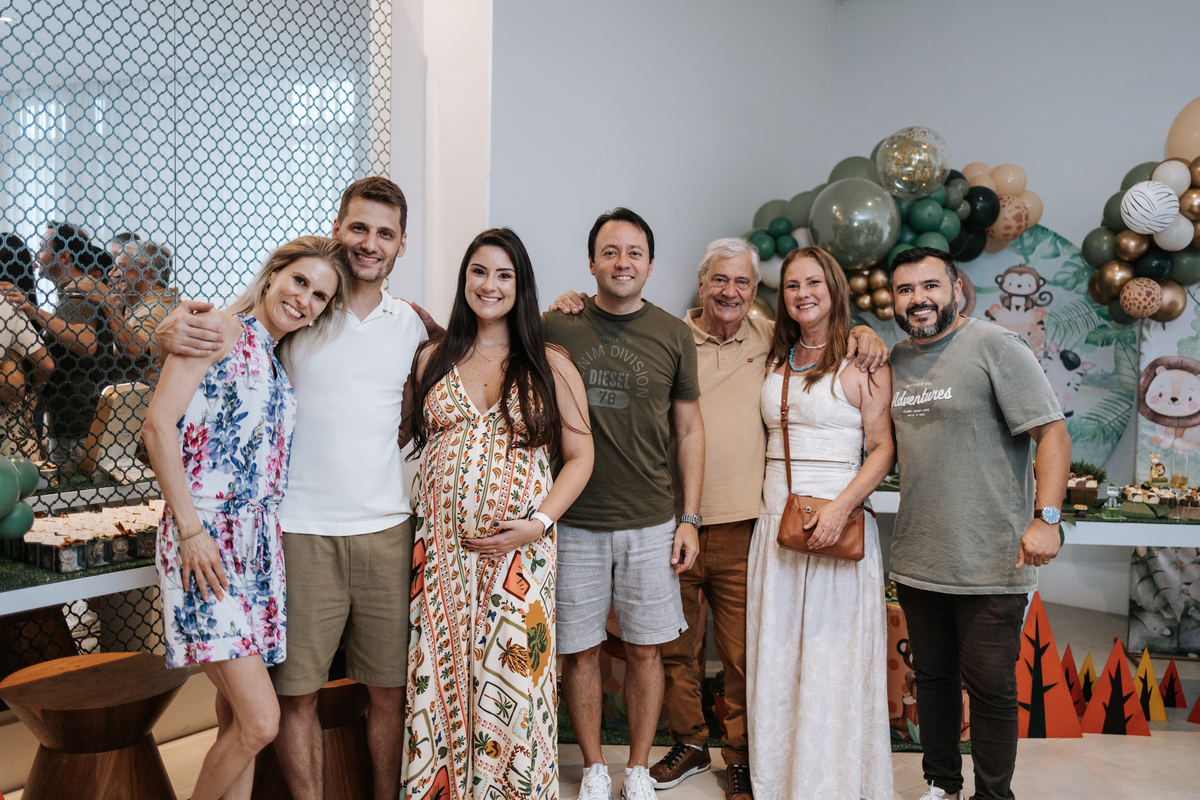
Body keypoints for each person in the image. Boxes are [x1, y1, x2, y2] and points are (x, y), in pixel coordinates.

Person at [550, 239, 888, 800]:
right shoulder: (670, 334)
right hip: (671, 520)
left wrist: (865, 333)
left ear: (755, 291)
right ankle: (688, 744)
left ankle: (742, 755)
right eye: (719, 280)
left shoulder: (771, 339)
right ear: (701, 283)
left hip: (746, 522)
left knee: (744, 650)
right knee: (672, 648)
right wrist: (572, 302)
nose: (730, 292)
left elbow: (824, 332)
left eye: (743, 282)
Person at [155, 176, 438, 800]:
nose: (370, 243)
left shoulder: (412, 326)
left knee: (387, 692)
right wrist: (166, 329)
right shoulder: (303, 317)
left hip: (384, 530)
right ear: (338, 229)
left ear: (402, 244)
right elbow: (202, 360)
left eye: (385, 233)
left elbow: (480, 347)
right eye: (358, 227)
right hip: (295, 533)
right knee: (288, 700)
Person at [142, 235, 350, 800]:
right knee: (261, 721)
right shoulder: (220, 329)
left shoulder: (275, 360)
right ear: (273, 274)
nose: (304, 299)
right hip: (205, 537)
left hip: (257, 548)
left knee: (237, 719)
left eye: (320, 296)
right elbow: (157, 427)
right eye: (299, 281)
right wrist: (191, 530)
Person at [403, 227, 593, 800]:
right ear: (465, 280)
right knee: (439, 680)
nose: (490, 285)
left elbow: (581, 457)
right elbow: (399, 439)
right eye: (479, 272)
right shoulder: (431, 358)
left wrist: (539, 523)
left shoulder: (549, 362)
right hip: (442, 556)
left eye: (504, 275)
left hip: (522, 557)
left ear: (520, 285)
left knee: (516, 679)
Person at [887, 246, 1069, 800]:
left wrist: (1047, 519)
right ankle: (942, 784)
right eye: (905, 289)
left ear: (956, 289)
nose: (918, 299)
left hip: (991, 559)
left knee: (990, 690)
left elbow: (1053, 434)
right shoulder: (897, 358)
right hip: (920, 556)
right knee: (933, 682)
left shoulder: (997, 346)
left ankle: (993, 796)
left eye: (930, 286)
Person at [543, 207, 703, 800]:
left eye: (634, 252)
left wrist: (690, 518)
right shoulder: (556, 326)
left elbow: (689, 430)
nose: (622, 262)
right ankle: (592, 766)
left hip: (651, 521)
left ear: (651, 265)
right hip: (574, 521)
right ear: (591, 262)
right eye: (609, 252)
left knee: (645, 649)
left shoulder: (673, 334)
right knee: (579, 651)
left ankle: (637, 767)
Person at [744, 246, 895, 800]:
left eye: (814, 283)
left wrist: (841, 509)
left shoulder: (864, 362)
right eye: (791, 285)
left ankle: (831, 785)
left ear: (834, 289)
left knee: (833, 659)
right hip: (776, 523)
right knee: (778, 657)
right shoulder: (772, 354)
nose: (802, 293)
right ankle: (778, 783)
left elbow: (882, 449)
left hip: (838, 526)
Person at [7, 222, 113, 471]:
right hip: (78, 423)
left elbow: (85, 343)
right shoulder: (74, 293)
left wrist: (32, 310)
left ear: (64, 256)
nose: (37, 256)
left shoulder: (77, 296)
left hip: (78, 428)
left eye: (43, 248)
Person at [0, 235, 54, 459]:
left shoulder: (7, 302)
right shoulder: (14, 304)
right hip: (21, 438)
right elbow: (47, 365)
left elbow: (13, 384)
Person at [102, 237, 180, 384]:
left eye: (120, 267)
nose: (112, 274)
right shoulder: (144, 305)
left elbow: (136, 352)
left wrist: (106, 304)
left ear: (144, 271)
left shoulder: (156, 310)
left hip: (144, 396)